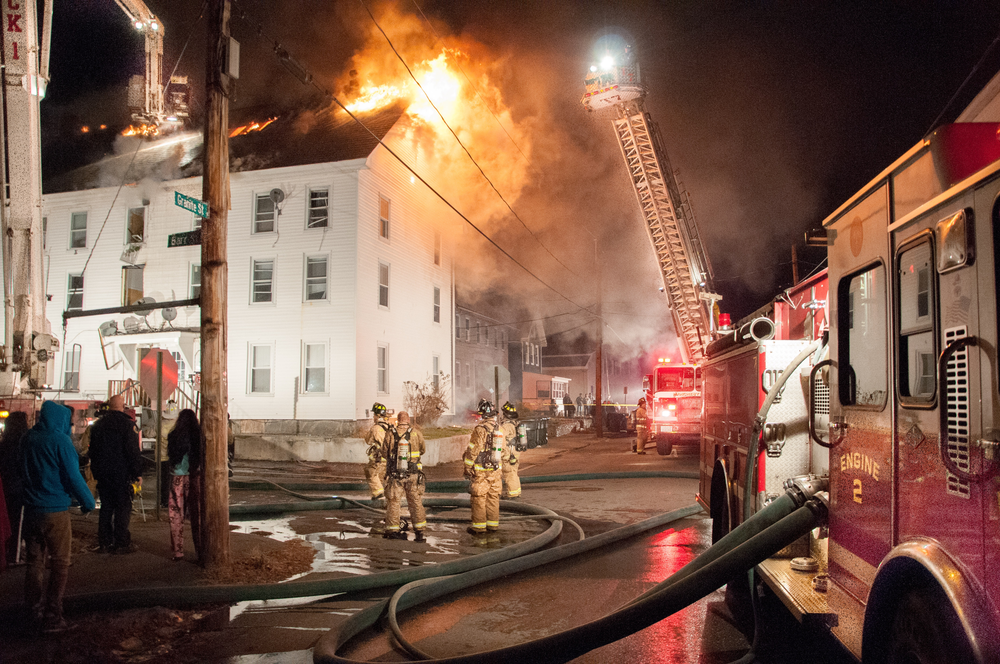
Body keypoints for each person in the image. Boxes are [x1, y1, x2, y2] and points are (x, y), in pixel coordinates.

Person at [20, 401, 95, 633]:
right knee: (60, 562)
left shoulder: (28, 438)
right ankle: (53, 615)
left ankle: (32, 611)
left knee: (34, 562)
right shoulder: (60, 441)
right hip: (55, 510)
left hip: (31, 509)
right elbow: (73, 476)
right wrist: (88, 501)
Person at [88, 395, 142, 554]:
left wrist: (96, 471)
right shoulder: (127, 425)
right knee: (122, 508)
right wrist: (137, 473)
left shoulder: (98, 426)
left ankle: (104, 541)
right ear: (123, 406)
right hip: (122, 474)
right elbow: (132, 451)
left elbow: (93, 452)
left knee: (106, 507)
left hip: (103, 474)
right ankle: (121, 542)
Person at [381, 411, 427, 542]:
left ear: (398, 420)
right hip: (413, 474)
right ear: (408, 420)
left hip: (396, 475)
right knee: (415, 501)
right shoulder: (416, 433)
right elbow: (423, 450)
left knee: (394, 501)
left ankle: (393, 530)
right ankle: (419, 530)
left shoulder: (391, 433)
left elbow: (384, 452)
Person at [463, 399, 506, 537]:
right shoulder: (500, 429)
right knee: (493, 498)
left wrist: (467, 467)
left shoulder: (480, 430)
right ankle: (493, 526)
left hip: (481, 472)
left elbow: (473, 450)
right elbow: (504, 451)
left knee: (479, 499)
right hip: (496, 471)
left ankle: (479, 528)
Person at [166, 409, 203, 562]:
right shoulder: (198, 437)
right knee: (197, 515)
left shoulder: (173, 436)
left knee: (176, 514)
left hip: (176, 477)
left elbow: (171, 458)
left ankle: (178, 551)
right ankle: (200, 551)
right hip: (193, 477)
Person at [0, 411, 30, 566]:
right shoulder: (23, 445)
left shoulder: (3, 445)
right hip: (19, 488)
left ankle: (6, 551)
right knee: (18, 523)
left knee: (6, 521)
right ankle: (14, 556)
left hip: (5, 488)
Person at [364, 403, 391, 506]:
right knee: (380, 477)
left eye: (374, 415)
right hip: (388, 459)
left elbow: (368, 440)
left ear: (377, 415)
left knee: (370, 472)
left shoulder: (375, 428)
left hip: (378, 458)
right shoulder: (389, 427)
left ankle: (378, 494)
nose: (373, 417)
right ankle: (382, 499)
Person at [499, 402, 525, 500]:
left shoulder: (506, 426)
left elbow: (501, 439)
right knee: (513, 472)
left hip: (509, 453)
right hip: (515, 452)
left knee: (509, 473)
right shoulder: (515, 423)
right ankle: (516, 492)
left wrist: (500, 453)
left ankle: (512, 494)